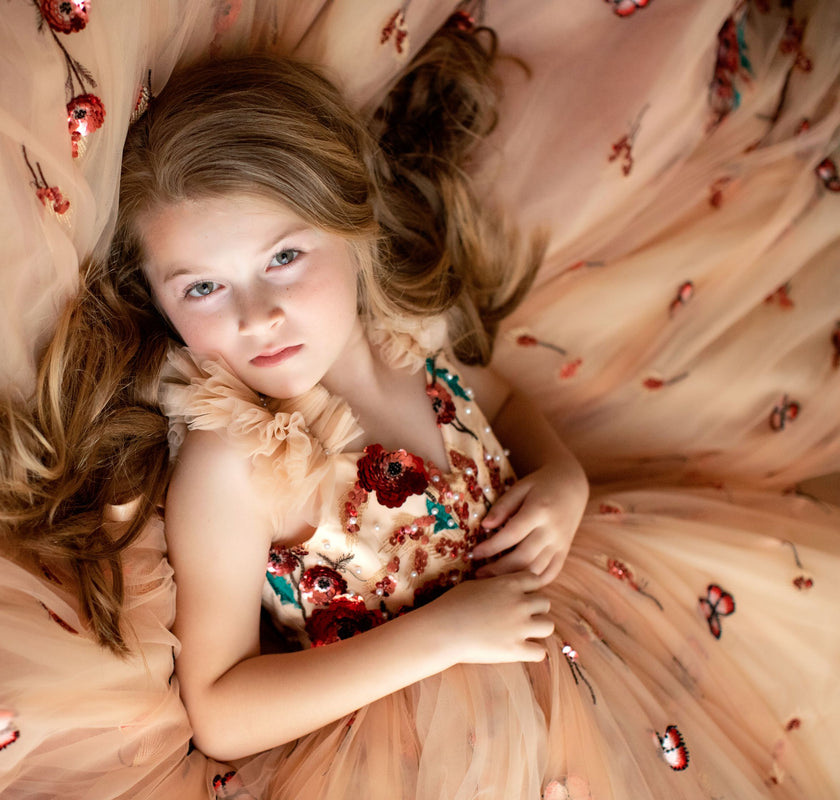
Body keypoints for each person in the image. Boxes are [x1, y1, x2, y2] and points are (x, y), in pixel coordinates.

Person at [69, 17, 839, 800]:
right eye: (202, 286)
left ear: (353, 230)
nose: (256, 316)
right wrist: (441, 636)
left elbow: (499, 400)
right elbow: (223, 712)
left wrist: (562, 479)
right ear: (161, 299)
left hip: (569, 638)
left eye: (284, 258)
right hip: (420, 745)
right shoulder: (229, 464)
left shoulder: (403, 336)